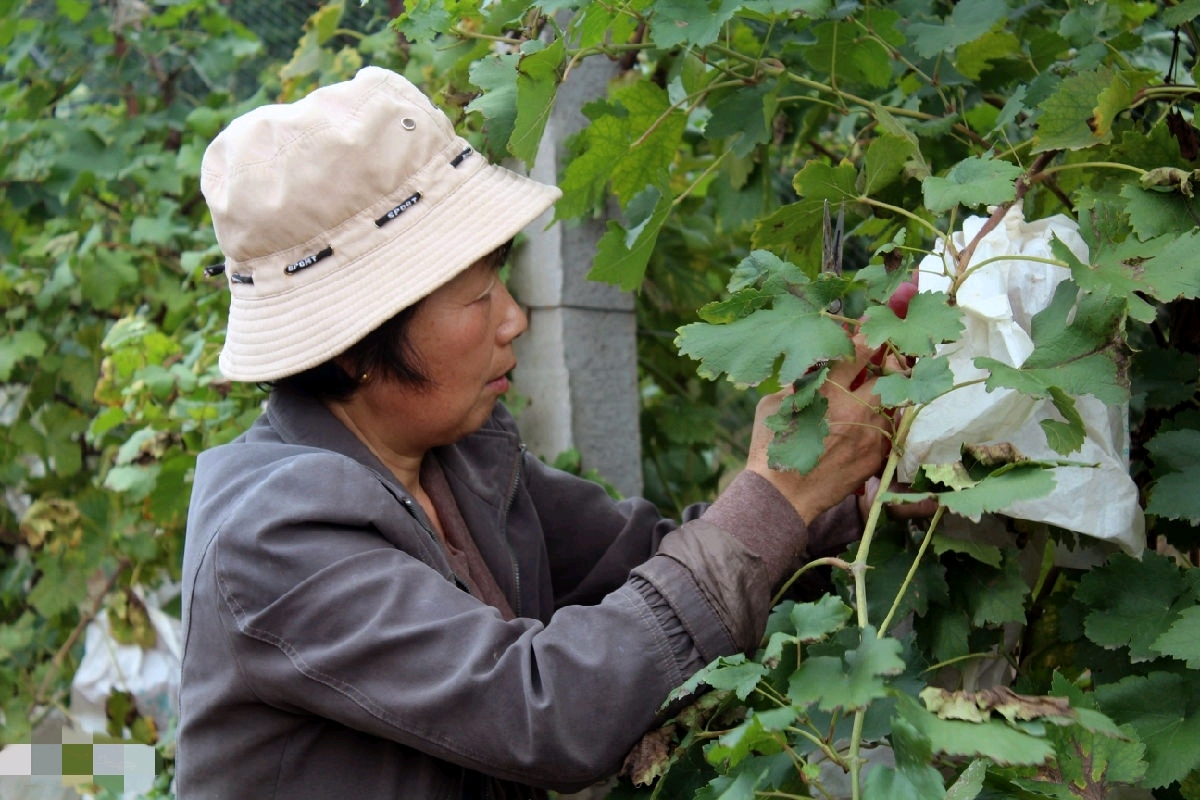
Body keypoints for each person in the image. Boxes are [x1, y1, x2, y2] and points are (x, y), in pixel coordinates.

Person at [177, 66, 892, 800]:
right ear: (356, 346)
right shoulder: (271, 541)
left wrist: (842, 490)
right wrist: (774, 499)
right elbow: (543, 707)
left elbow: (643, 564)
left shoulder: (456, 462)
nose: (514, 317)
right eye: (480, 293)